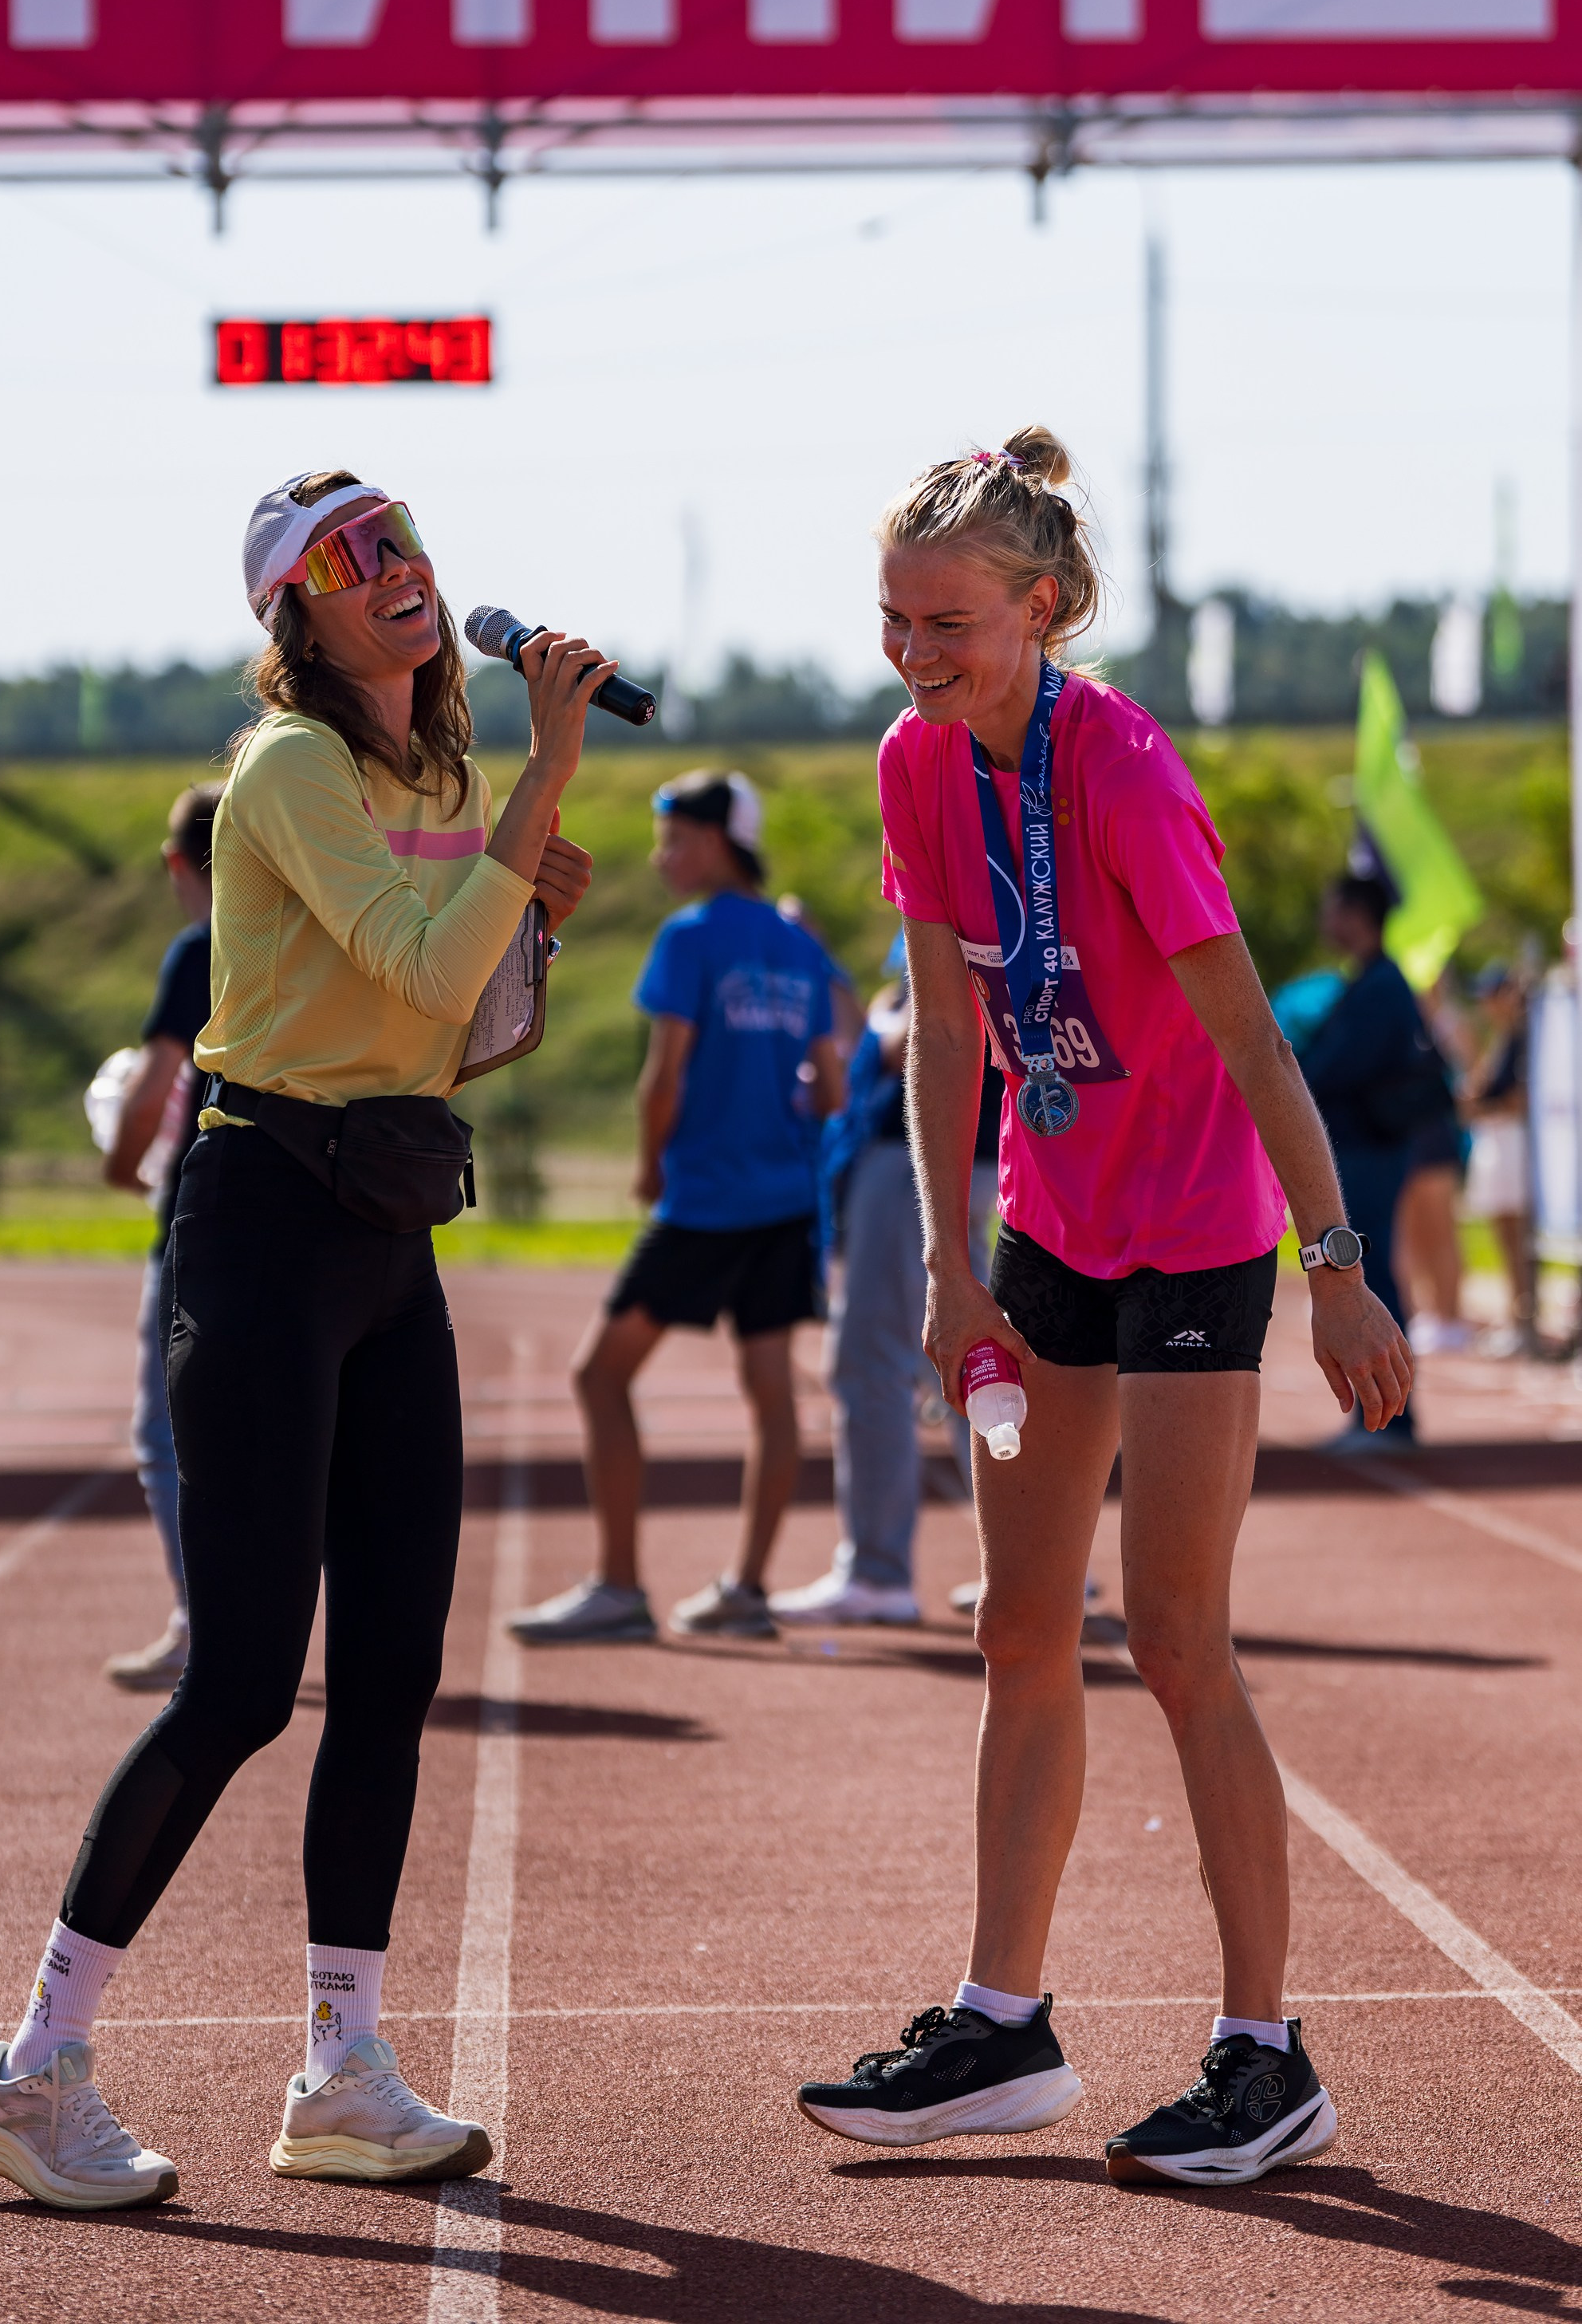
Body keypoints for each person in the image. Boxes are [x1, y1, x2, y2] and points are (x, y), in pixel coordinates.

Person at [0, 467, 600, 2211]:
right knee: (241, 1677)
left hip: (389, 1228)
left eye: (400, 539)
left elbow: (457, 1036)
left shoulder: (446, 776)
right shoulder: (293, 767)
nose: (393, 568)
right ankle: (33, 2065)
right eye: (346, 558)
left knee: (391, 1669)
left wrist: (531, 904)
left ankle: (343, 2067)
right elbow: (406, 955)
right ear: (293, 616)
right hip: (260, 1221)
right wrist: (540, 800)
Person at [794, 433, 1410, 2190]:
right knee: (1018, 1630)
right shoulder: (922, 765)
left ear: (1043, 608)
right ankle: (1004, 2025)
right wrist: (949, 1259)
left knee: (1179, 1635)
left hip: (1204, 1235)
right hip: (1051, 1227)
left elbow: (1250, 1038)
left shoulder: (1125, 774)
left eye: (952, 623)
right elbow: (938, 1030)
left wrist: (1336, 1263)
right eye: (896, 621)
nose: (916, 654)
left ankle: (1265, 2055)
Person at [509, 770, 846, 1645]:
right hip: (784, 1200)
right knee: (771, 1392)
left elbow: (662, 1078)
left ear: (717, 842)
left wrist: (651, 1165)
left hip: (706, 1199)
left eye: (675, 839)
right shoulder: (797, 945)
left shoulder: (691, 937)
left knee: (599, 1375)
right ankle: (748, 1588)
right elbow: (832, 1085)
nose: (663, 857)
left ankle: (620, 1584)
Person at [770, 939, 1000, 1627]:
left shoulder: (957, 906)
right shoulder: (1002, 898)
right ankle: (1037, 1562)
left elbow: (913, 1037)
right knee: (969, 1362)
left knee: (873, 1362)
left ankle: (878, 1572)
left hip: (914, 1166)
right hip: (942, 1162)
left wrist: (869, 1005)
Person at [101, 782, 222, 1694]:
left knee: (166, 1429)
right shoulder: (323, 923)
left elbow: (153, 1091)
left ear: (181, 865)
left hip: (199, 1214)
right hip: (316, 1204)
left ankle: (200, 1624)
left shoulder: (201, 948)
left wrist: (120, 1163)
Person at [1298, 872, 1443, 1445]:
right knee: (1369, 1277)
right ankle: (1383, 1416)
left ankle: (1391, 1417)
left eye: (1332, 909)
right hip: (1364, 1148)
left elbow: (1334, 1067)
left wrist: (1283, 1082)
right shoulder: (1371, 981)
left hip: (1369, 1150)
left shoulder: (1380, 985)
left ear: (1356, 915)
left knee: (1369, 1278)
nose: (1324, 922)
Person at [1395, 972, 1471, 1358]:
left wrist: (1441, 1024)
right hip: (1406, 1138)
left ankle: (1452, 1317)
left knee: (1442, 1228)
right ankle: (1430, 1313)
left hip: (1437, 1138)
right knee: (1413, 1230)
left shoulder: (1447, 1024)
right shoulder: (1398, 1022)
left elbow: (1467, 1075)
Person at [1464, 961, 1537, 1356]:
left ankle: (1526, 1319)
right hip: (1497, 1141)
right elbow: (1477, 1094)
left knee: (1521, 1235)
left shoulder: (1528, 1036)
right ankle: (1517, 1317)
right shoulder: (1503, 1037)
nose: (1486, 1003)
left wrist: (1483, 1105)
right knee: (1506, 1235)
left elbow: (1517, 1101)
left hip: (1515, 1143)